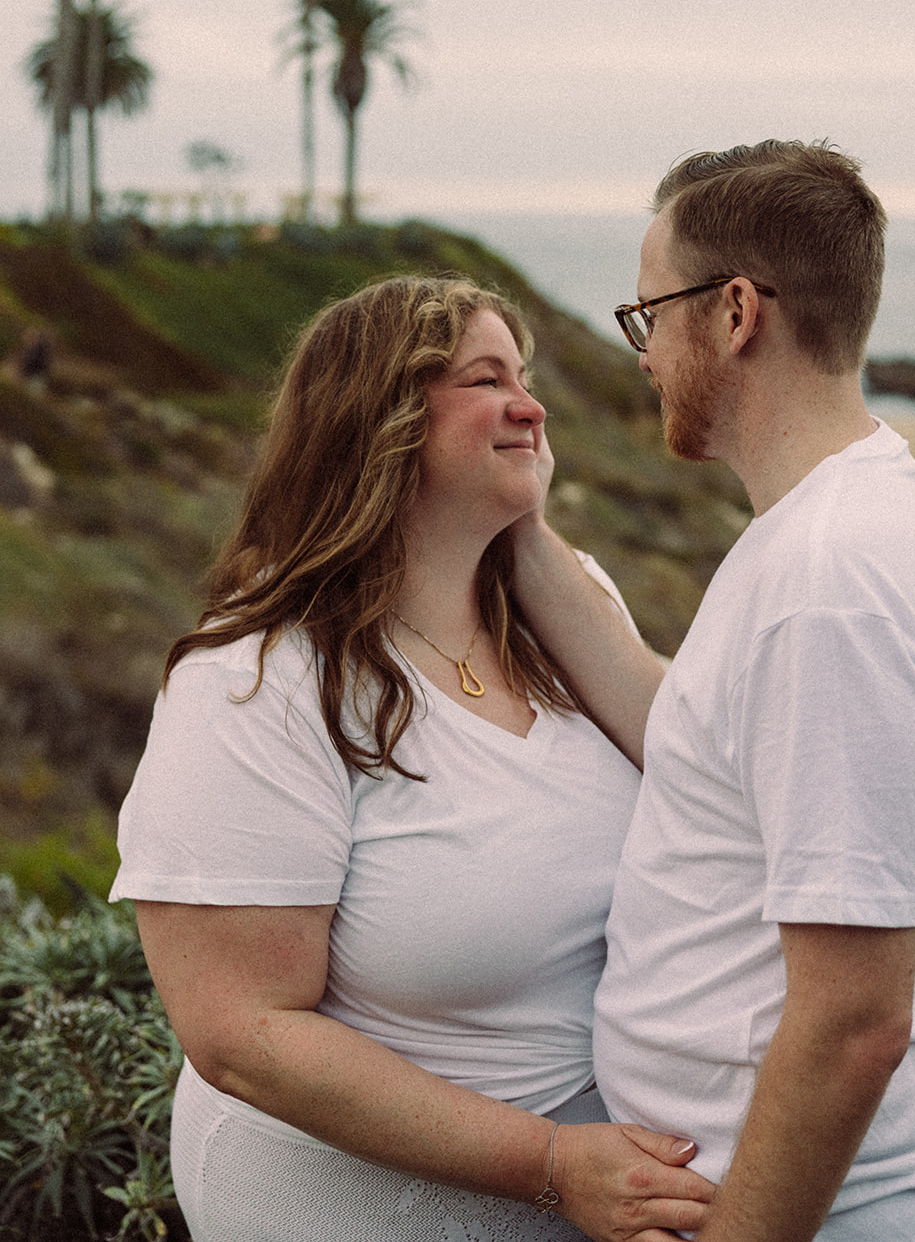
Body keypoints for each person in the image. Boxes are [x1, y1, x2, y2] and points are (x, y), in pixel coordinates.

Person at [109, 274, 715, 1242]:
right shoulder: (256, 680)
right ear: (377, 419)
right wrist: (551, 1161)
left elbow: (715, 785)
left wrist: (525, 530)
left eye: (525, 375)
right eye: (486, 379)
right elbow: (241, 1033)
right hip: (357, 1206)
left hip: (605, 1194)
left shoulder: (566, 608)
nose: (532, 404)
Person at [593, 141, 915, 1241]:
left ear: (734, 313)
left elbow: (851, 1018)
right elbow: (701, 747)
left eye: (647, 315)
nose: (639, 354)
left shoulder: (824, 580)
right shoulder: (860, 507)